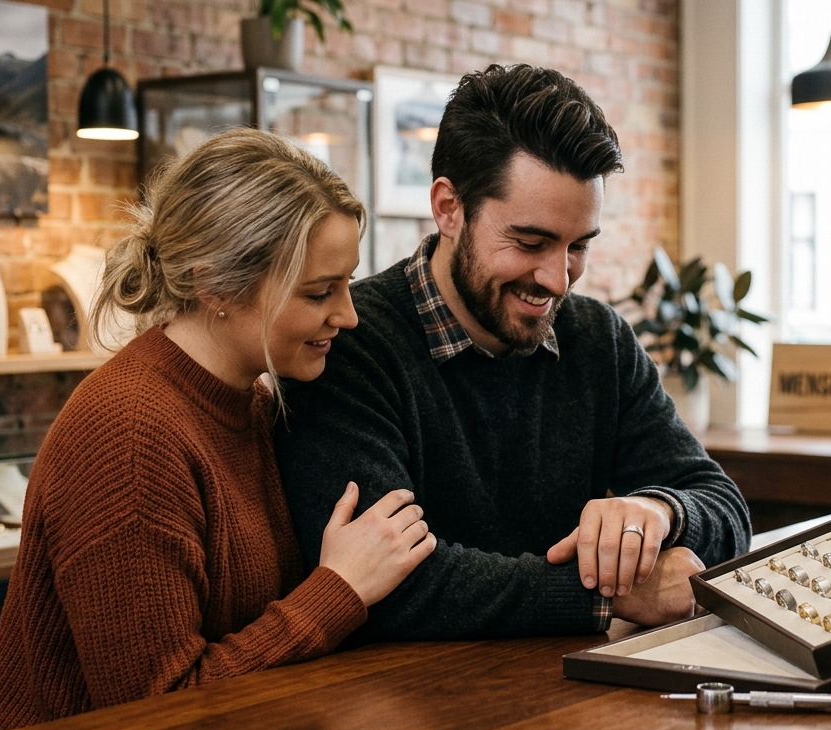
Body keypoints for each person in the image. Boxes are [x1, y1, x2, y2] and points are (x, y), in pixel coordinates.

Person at [0, 129, 435, 730]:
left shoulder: (251, 401)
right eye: (320, 291)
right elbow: (158, 709)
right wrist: (338, 589)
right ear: (216, 285)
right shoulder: (130, 436)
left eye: (348, 284)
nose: (348, 315)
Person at [274, 64, 751, 638]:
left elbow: (725, 507)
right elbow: (382, 585)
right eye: (531, 242)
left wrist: (658, 512)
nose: (557, 279)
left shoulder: (600, 340)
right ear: (449, 208)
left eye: (578, 246)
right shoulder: (348, 345)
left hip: (577, 703)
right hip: (404, 710)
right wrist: (611, 594)